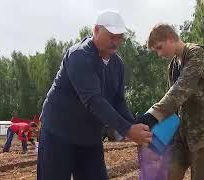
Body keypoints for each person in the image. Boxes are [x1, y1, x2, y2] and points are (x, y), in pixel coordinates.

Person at [37, 10, 152, 180]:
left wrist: (135, 126)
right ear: (96, 30)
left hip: (89, 136)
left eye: (119, 37)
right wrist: (127, 130)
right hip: (59, 131)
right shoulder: (79, 55)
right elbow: (93, 100)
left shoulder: (117, 65)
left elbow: (118, 101)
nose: (116, 42)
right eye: (111, 36)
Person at [137, 23, 204, 180]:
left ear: (170, 38)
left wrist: (152, 115)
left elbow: (180, 90)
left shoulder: (197, 54)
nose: (159, 54)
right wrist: (158, 131)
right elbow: (172, 102)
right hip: (180, 134)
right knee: (169, 173)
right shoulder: (173, 66)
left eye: (159, 47)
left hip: (202, 133)